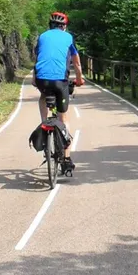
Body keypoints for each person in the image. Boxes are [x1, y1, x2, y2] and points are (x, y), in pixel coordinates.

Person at [33, 11, 84, 173]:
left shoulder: (42, 37)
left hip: (42, 79)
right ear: (64, 27)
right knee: (63, 117)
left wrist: (35, 80)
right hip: (60, 81)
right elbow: (76, 64)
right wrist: (80, 79)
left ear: (50, 26)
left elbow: (39, 59)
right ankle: (67, 158)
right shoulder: (68, 38)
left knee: (43, 97)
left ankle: (43, 122)